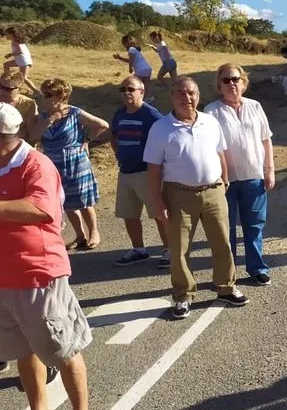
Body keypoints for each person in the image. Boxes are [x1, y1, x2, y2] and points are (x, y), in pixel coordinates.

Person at [0, 103, 97, 410]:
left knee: (61, 348)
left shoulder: (35, 164)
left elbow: (42, 210)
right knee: (23, 350)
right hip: (4, 277)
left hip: (37, 273)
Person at [144, 76, 249, 319]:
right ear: (172, 97)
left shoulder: (210, 122)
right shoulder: (160, 128)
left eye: (191, 93)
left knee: (222, 242)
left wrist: (224, 180)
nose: (187, 98)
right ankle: (183, 295)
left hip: (214, 191)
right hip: (178, 194)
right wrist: (158, 202)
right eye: (181, 93)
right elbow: (154, 169)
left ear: (198, 96)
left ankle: (226, 287)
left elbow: (220, 152)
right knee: (179, 248)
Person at [205, 64, 276, 286]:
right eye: (226, 80)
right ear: (219, 85)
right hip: (223, 181)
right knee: (225, 229)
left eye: (235, 79)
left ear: (243, 82)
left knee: (254, 225)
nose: (231, 84)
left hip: (254, 176)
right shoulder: (211, 111)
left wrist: (269, 170)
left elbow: (266, 139)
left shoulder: (255, 106)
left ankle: (257, 268)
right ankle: (228, 272)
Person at [34, 78, 110, 250]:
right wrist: (50, 120)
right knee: (66, 201)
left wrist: (86, 140)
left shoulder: (74, 112)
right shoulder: (43, 117)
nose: (44, 98)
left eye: (48, 95)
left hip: (75, 162)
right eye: (44, 94)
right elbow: (33, 136)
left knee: (83, 200)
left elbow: (102, 125)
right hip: (54, 164)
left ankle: (94, 232)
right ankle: (80, 235)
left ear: (60, 96)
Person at [110, 76, 169, 268]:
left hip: (147, 173)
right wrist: (118, 154)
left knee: (159, 214)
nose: (126, 93)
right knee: (129, 214)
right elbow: (114, 136)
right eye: (123, 89)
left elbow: (165, 140)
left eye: (131, 89)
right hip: (125, 172)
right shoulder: (119, 114)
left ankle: (169, 250)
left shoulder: (151, 115)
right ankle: (139, 250)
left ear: (141, 92)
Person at [0, 70, 38, 140]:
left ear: (19, 89)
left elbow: (31, 133)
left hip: (15, 142)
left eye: (8, 89)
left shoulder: (28, 104)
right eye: (1, 86)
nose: (2, 91)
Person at [113, 34, 153, 99]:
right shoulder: (135, 49)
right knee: (145, 87)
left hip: (140, 70)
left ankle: (133, 99)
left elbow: (131, 60)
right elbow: (131, 60)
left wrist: (130, 68)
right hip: (148, 69)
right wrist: (120, 58)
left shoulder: (131, 49)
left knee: (133, 85)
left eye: (123, 43)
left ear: (126, 43)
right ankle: (148, 99)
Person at [3, 27, 40, 94]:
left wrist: (10, 54)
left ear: (12, 34)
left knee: (24, 78)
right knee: (6, 64)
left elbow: (20, 51)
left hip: (24, 62)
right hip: (20, 61)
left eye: (7, 34)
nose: (6, 36)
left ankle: (36, 92)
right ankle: (8, 80)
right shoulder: (17, 41)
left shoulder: (15, 42)